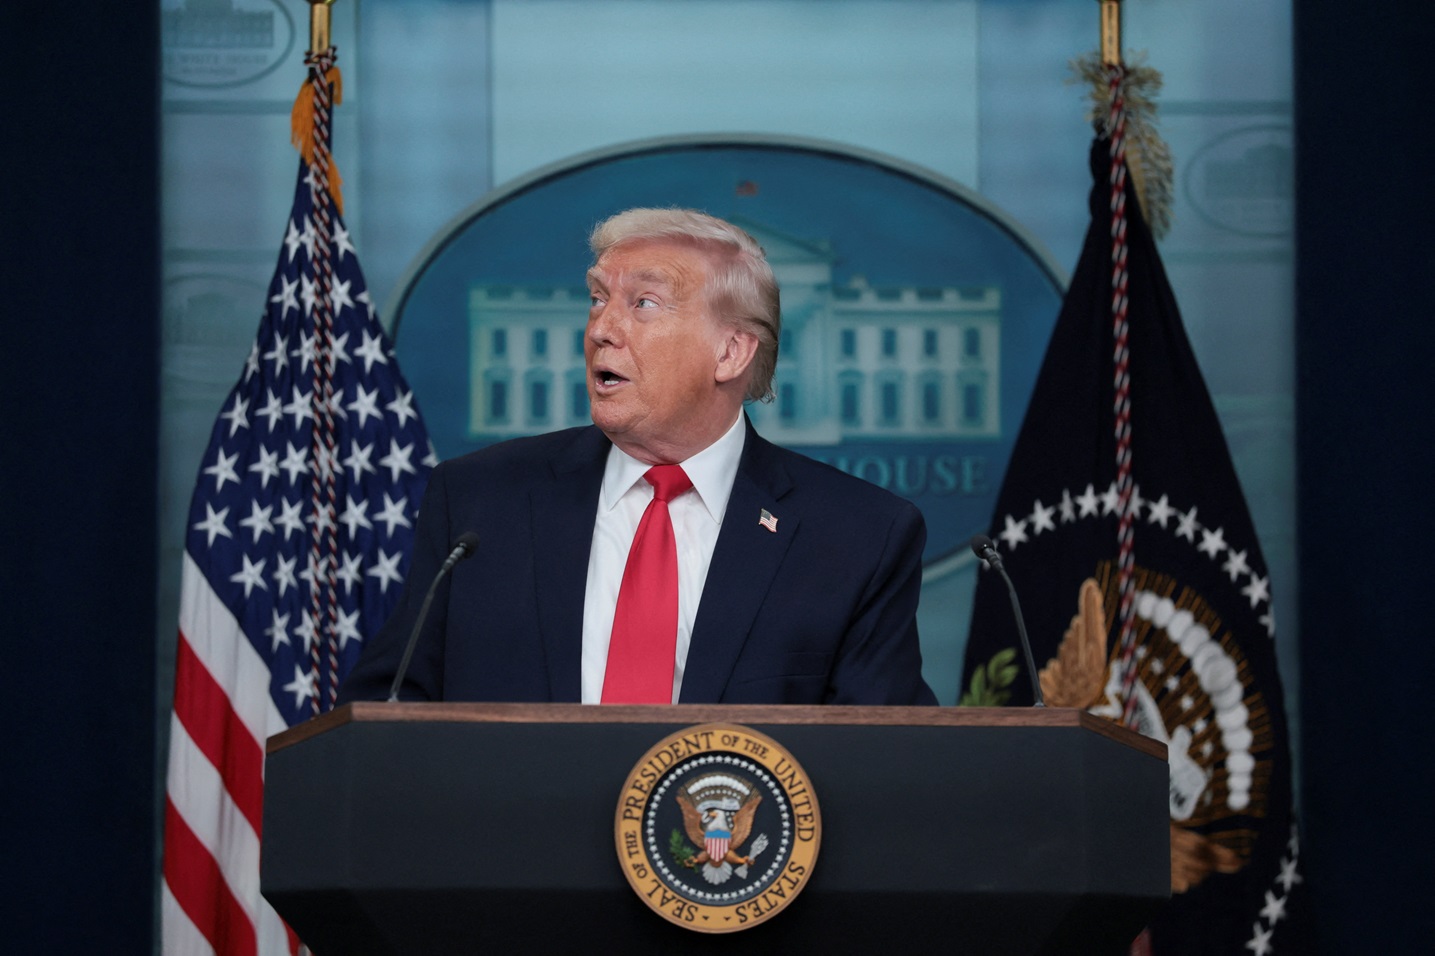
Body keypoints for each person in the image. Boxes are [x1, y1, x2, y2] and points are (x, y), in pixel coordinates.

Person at [338, 208, 936, 706]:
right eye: (598, 299)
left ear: (730, 353)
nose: (601, 328)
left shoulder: (858, 535)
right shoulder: (479, 503)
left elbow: (884, 761)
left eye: (644, 303)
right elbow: (388, 712)